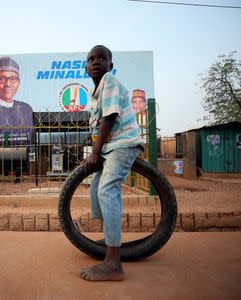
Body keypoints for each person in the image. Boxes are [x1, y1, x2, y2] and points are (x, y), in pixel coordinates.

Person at [80, 45, 143, 281]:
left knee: (107, 189)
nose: (96, 61)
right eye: (91, 59)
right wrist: (95, 151)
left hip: (124, 144)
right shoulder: (92, 94)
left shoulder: (110, 81)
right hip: (109, 147)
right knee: (95, 187)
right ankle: (109, 239)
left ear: (110, 65)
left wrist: (95, 153)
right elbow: (97, 126)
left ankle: (114, 264)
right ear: (86, 67)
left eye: (102, 58)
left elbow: (109, 118)